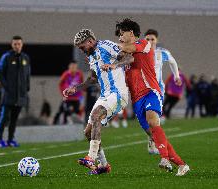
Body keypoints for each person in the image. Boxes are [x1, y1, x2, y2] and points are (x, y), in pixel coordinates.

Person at [103, 18, 189, 176]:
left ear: (131, 33)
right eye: (119, 35)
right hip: (136, 100)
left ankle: (164, 159)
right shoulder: (125, 53)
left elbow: (126, 49)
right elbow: (123, 57)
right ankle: (182, 165)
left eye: (122, 34)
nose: (120, 37)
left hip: (150, 91)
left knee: (152, 119)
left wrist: (105, 46)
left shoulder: (144, 44)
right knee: (153, 133)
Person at [63, 29, 133, 175]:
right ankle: (104, 165)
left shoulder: (106, 46)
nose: (82, 51)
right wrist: (75, 88)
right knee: (88, 132)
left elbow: (129, 58)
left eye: (82, 47)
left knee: (95, 116)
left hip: (118, 93)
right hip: (105, 95)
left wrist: (115, 65)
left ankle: (91, 158)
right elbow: (93, 79)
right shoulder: (92, 56)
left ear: (90, 42)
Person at [144, 29, 182, 153]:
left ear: (156, 40)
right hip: (143, 88)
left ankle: (154, 141)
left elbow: (173, 62)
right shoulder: (140, 52)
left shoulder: (161, 53)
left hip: (157, 89)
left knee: (154, 115)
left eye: (152, 39)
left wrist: (176, 76)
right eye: (147, 39)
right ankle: (151, 137)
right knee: (146, 117)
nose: (150, 41)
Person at [0, 35, 31, 148]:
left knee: (14, 119)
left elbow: (28, 75)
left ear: (22, 45)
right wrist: (7, 88)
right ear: (12, 45)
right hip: (9, 94)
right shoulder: (6, 57)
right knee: (4, 117)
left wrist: (26, 88)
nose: (17, 46)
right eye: (15, 44)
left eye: (19, 44)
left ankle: (10, 140)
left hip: (21, 95)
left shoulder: (25, 58)